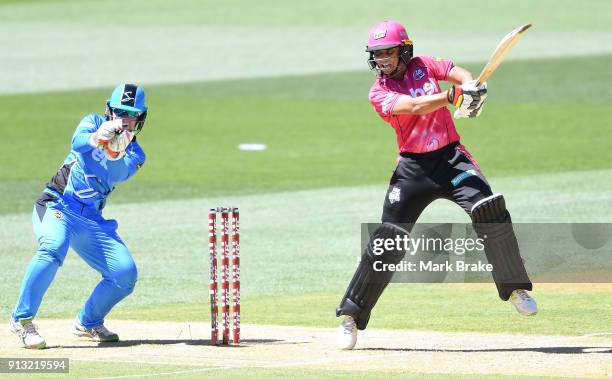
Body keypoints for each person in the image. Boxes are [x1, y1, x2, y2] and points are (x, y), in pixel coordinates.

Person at [335, 21, 537, 350]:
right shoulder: (379, 92)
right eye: (377, 54)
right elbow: (415, 107)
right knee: (388, 240)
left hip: (451, 159)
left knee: (490, 212)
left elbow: (457, 72)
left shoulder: (424, 65)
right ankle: (351, 317)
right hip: (413, 170)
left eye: (388, 51)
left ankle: (515, 288)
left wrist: (471, 88)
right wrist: (451, 96)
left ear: (404, 49)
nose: (383, 59)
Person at [9, 84, 148, 349]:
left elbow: (116, 172)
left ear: (141, 118)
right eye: (119, 112)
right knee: (52, 249)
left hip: (92, 220)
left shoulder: (137, 154)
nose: (124, 120)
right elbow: (77, 142)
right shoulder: (92, 122)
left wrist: (114, 148)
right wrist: (97, 137)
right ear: (109, 110)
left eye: (131, 115)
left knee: (124, 274)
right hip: (57, 204)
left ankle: (88, 322)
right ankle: (22, 320)